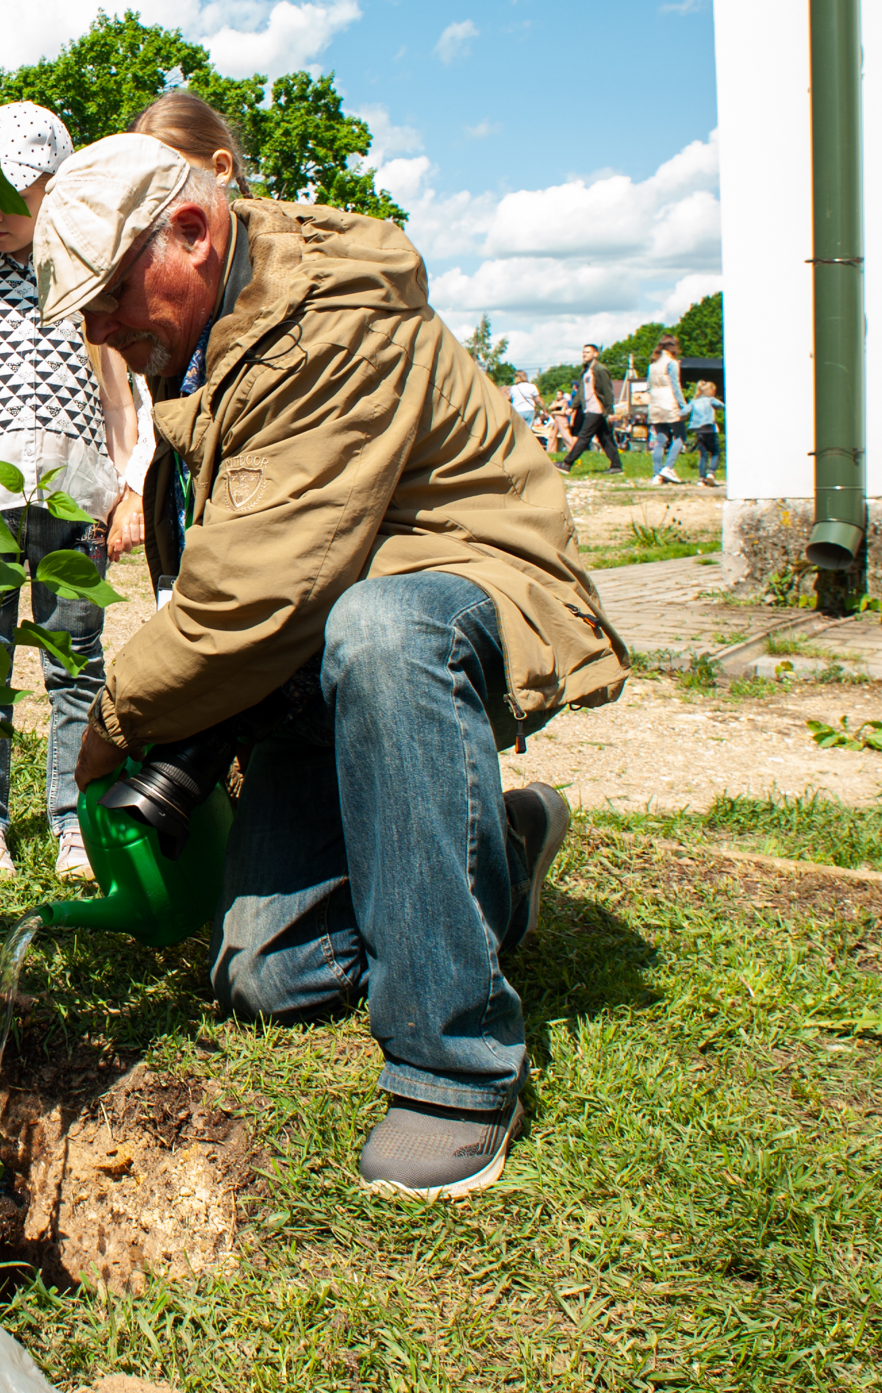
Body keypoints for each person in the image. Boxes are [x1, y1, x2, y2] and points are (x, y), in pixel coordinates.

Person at [35, 131, 626, 1201]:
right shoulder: (214, 328)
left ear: (192, 229)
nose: (100, 330)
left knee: (382, 626)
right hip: (323, 641)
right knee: (266, 973)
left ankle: (453, 1065)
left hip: (457, 591)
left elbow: (255, 594)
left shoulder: (334, 319)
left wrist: (113, 722)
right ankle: (490, 849)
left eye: (112, 295)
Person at [0, 101, 145, 881]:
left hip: (79, 504)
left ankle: (73, 817)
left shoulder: (90, 285)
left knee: (78, 661)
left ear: (55, 185)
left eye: (7, 196)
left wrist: (132, 486)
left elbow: (121, 399)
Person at [559, 342, 624, 473]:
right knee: (604, 437)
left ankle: (566, 464)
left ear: (595, 354)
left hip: (597, 409)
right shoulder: (586, 371)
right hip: (589, 408)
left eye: (587, 352)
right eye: (583, 352)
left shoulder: (600, 370)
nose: (584, 354)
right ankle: (616, 466)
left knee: (584, 436)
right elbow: (581, 392)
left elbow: (608, 391)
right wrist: (573, 407)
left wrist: (610, 411)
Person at [645, 336, 686, 484]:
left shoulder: (652, 365)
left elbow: (648, 387)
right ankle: (668, 468)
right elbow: (675, 385)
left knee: (660, 439)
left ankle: (657, 474)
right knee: (680, 435)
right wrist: (683, 405)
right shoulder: (672, 363)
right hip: (669, 401)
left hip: (654, 403)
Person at [688, 380, 724, 486]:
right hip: (710, 430)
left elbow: (685, 411)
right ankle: (711, 473)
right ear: (711, 391)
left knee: (703, 455)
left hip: (699, 432)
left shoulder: (694, 401)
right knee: (715, 452)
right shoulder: (711, 400)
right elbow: (722, 405)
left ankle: (701, 478)